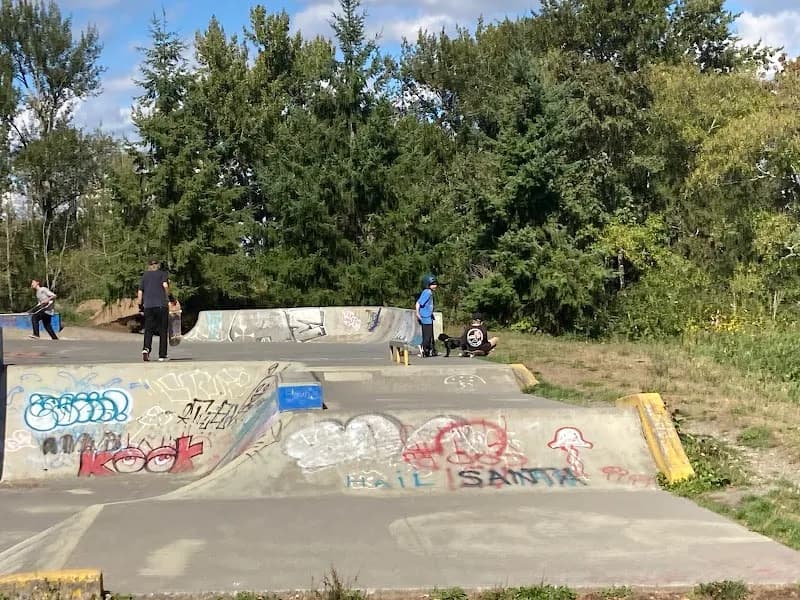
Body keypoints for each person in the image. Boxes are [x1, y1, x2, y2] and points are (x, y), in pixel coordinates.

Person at [137, 257, 170, 362]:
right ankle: (162, 355)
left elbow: (140, 292)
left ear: (149, 266)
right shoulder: (162, 274)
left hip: (148, 306)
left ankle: (146, 349)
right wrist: (171, 297)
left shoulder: (145, 276)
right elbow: (165, 285)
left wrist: (140, 306)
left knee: (149, 329)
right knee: (163, 330)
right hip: (161, 305)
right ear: (158, 265)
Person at [415, 273, 438, 357]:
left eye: (435, 284)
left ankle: (428, 350)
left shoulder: (430, 292)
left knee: (430, 335)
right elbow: (418, 303)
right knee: (427, 336)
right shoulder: (427, 292)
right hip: (425, 317)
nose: (435, 286)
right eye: (433, 284)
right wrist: (417, 313)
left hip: (429, 317)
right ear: (428, 284)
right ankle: (423, 348)